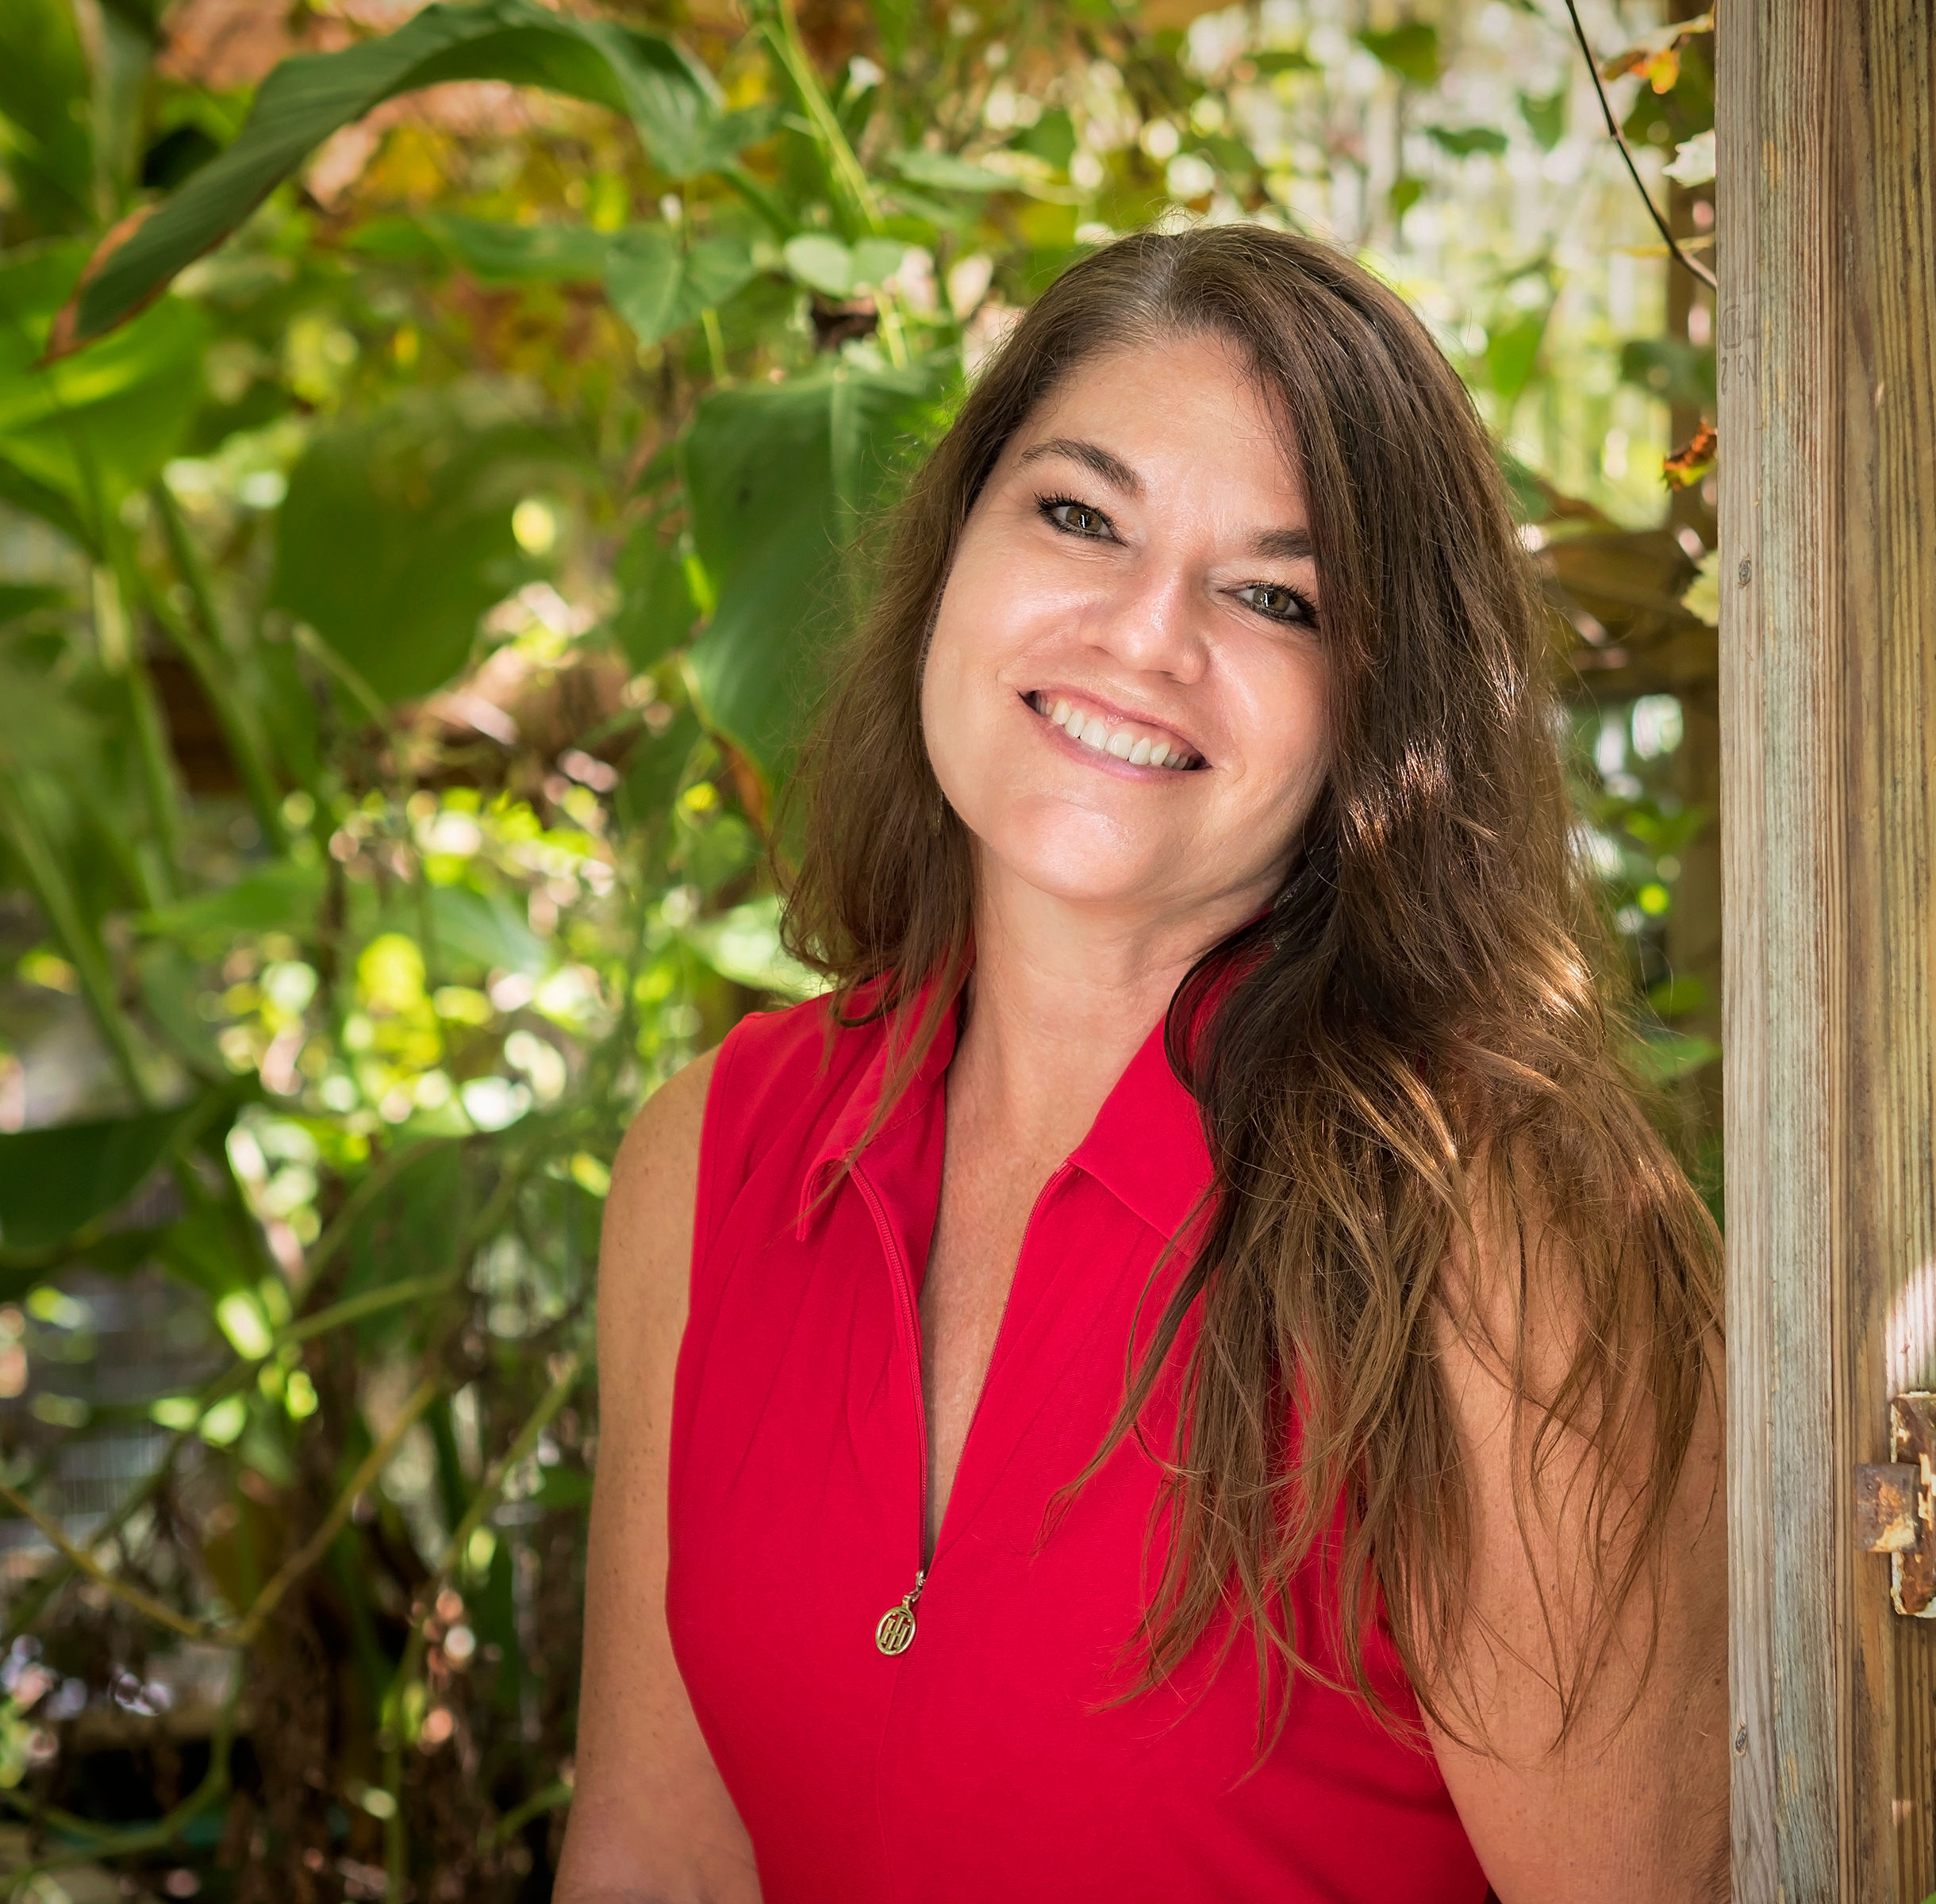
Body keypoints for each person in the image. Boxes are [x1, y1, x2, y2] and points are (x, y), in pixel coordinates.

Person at [555, 223, 1727, 1904]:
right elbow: (657, 1871)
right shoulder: (708, 1159)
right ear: (955, 549)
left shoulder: (1496, 1239)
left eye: (1273, 594)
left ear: (1377, 706)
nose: (1142, 634)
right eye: (1079, 515)